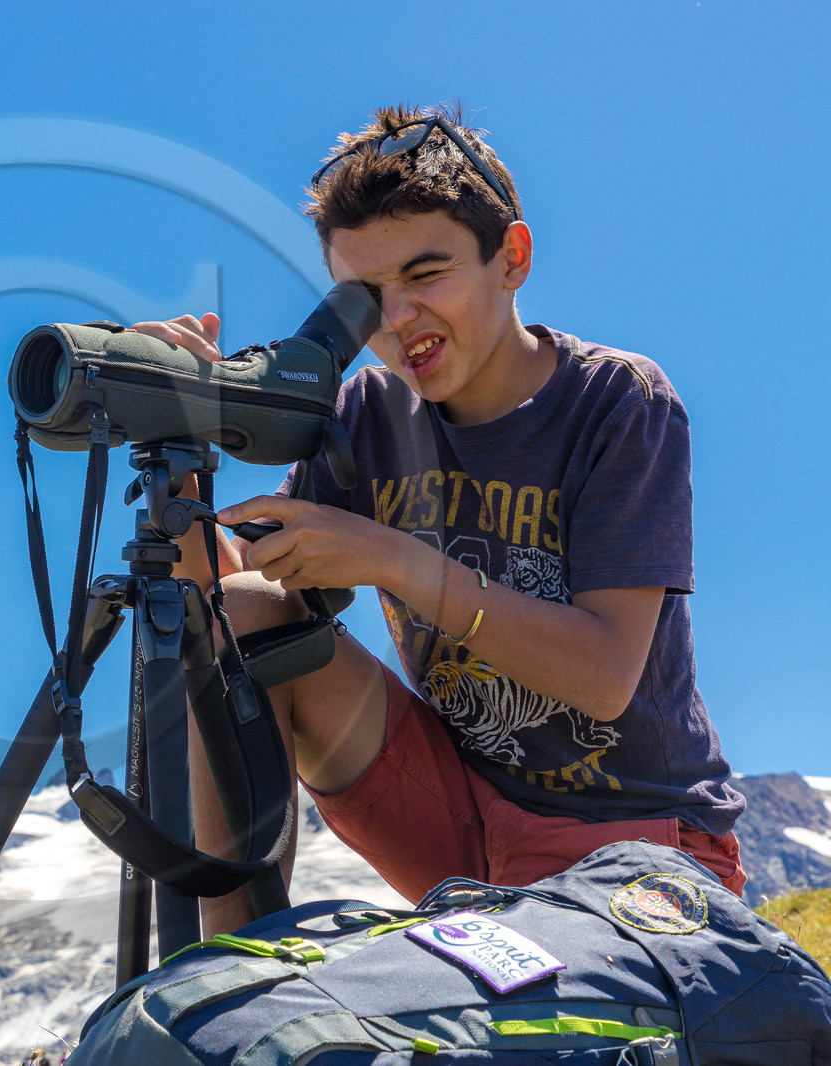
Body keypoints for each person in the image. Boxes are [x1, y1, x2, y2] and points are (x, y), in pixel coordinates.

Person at [131, 103, 746, 936]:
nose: (396, 321)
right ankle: (231, 985)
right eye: (364, 297)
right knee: (243, 616)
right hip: (462, 819)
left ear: (512, 257)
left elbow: (606, 678)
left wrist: (395, 559)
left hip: (640, 840)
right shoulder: (367, 411)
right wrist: (179, 451)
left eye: (426, 276)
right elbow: (246, 591)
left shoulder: (618, 401)